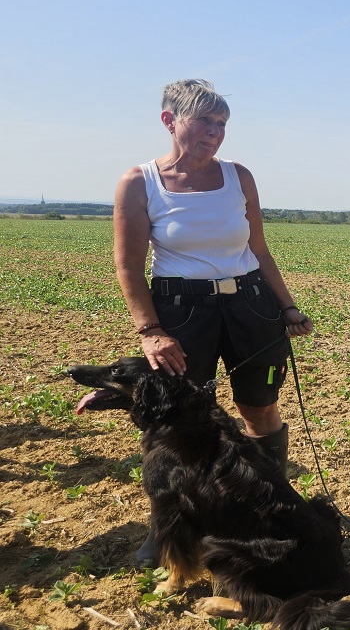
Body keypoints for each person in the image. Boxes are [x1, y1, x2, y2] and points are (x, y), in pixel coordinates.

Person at [113, 79, 313, 566]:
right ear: (169, 120)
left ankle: (271, 508)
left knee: (259, 409)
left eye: (221, 124)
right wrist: (151, 331)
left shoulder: (238, 176)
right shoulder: (140, 183)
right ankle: (168, 528)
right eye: (204, 121)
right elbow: (128, 266)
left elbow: (259, 249)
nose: (215, 132)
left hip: (250, 305)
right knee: (179, 424)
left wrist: (287, 306)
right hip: (181, 312)